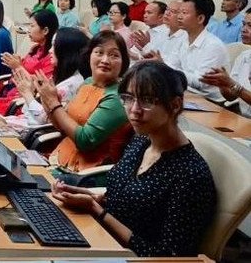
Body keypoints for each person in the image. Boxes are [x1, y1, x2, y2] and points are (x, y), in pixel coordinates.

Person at [53, 61, 216, 257]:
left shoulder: (190, 175)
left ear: (175, 105)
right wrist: (88, 196)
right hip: (103, 241)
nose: (134, 109)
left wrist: (97, 210)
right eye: (129, 98)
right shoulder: (141, 141)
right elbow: (123, 198)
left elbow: (166, 257)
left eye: (147, 100)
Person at [36, 31, 132, 174]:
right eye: (99, 52)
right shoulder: (87, 83)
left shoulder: (117, 98)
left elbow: (85, 141)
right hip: (59, 160)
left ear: (123, 62)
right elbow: (63, 127)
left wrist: (55, 104)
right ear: (89, 56)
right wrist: (47, 100)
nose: (105, 60)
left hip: (86, 172)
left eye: (114, 55)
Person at [5, 28, 90, 127]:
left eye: (54, 46)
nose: (50, 50)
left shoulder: (71, 84)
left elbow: (44, 119)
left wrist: (27, 93)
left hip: (35, 134)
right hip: (29, 123)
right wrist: (31, 92)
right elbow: (29, 113)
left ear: (66, 51)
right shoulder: (61, 75)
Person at [150, 0, 229, 100]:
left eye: (184, 13)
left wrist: (165, 66)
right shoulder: (183, 40)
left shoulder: (213, 45)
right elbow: (172, 65)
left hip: (209, 100)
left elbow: (201, 82)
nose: (179, 16)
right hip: (186, 92)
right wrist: (165, 66)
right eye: (179, 12)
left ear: (200, 19)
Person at [0, 9, 59, 113]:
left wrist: (18, 67)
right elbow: (22, 70)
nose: (29, 30)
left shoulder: (51, 57)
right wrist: (15, 65)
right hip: (15, 91)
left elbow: (41, 85)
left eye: (32, 26)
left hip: (26, 100)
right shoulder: (35, 49)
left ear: (45, 31)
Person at [201, 9, 251, 117]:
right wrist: (222, 85)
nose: (244, 30)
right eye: (243, 25)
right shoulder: (244, 56)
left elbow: (236, 88)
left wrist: (232, 84)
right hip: (243, 118)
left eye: (250, 26)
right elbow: (231, 97)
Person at [136, 0, 186, 65]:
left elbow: (173, 66)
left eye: (173, 11)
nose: (167, 13)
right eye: (167, 9)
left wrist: (146, 45)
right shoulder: (163, 33)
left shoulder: (185, 38)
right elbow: (153, 55)